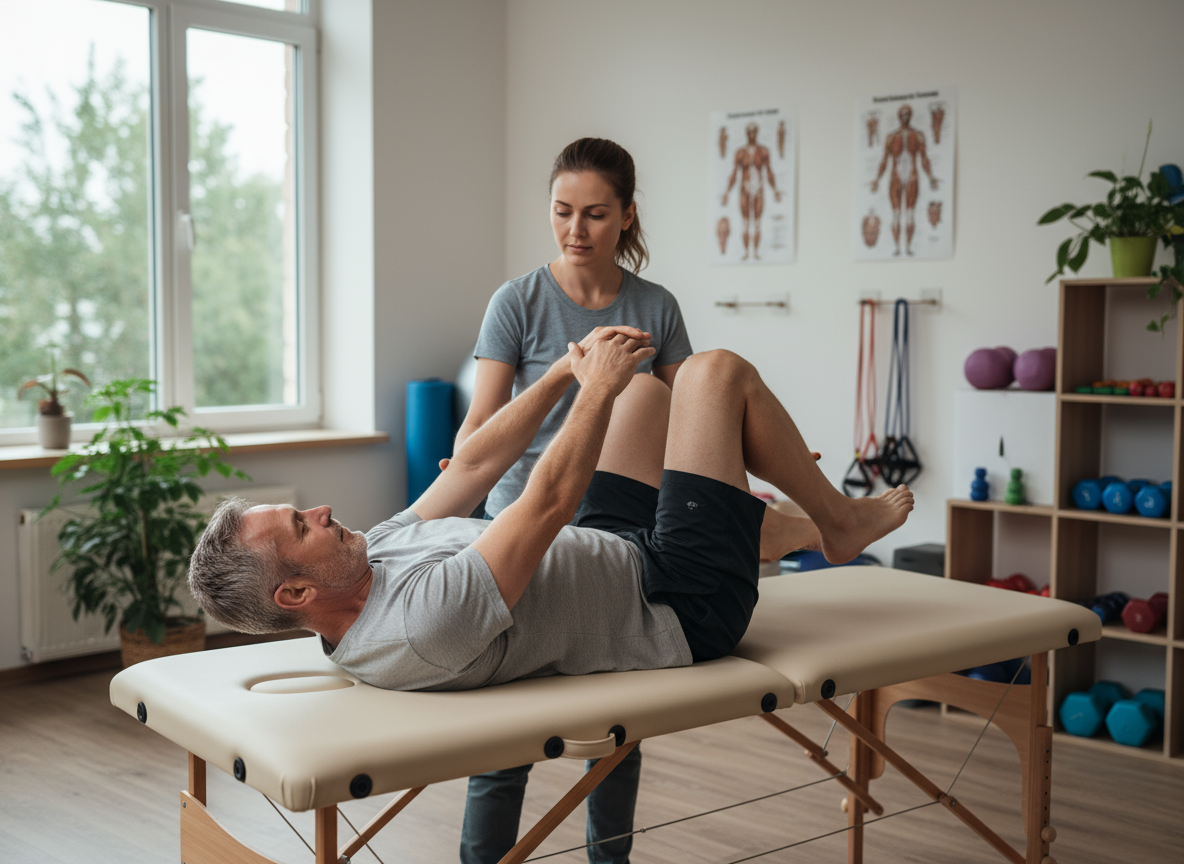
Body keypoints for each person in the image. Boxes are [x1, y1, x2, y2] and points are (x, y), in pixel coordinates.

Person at [189, 334, 914, 857]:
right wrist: (594, 386)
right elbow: (546, 503)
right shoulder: (416, 628)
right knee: (713, 376)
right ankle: (833, 520)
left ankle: (761, 520)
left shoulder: (366, 557)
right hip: (677, 603)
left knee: (645, 395)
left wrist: (569, 376)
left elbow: (471, 465)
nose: (319, 512)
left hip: (617, 550)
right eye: (299, 524)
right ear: (295, 590)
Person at [453, 137, 691, 864]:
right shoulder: (518, 302)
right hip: (525, 524)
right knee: (507, 733)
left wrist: (737, 471)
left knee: (617, 726)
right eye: (562, 212)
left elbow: (684, 423)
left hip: (619, 534)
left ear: (626, 216)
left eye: (593, 214)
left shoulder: (656, 306)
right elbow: (479, 432)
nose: (575, 230)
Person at [870, 103, 938, 256]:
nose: (905, 117)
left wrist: (931, 177)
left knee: (910, 214)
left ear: (911, 116)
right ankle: (896, 248)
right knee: (895, 214)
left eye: (908, 114)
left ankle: (907, 247)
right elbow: (884, 160)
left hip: (913, 175)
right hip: (895, 177)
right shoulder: (892, 137)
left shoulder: (918, 135)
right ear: (899, 116)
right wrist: (877, 179)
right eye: (902, 115)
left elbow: (924, 158)